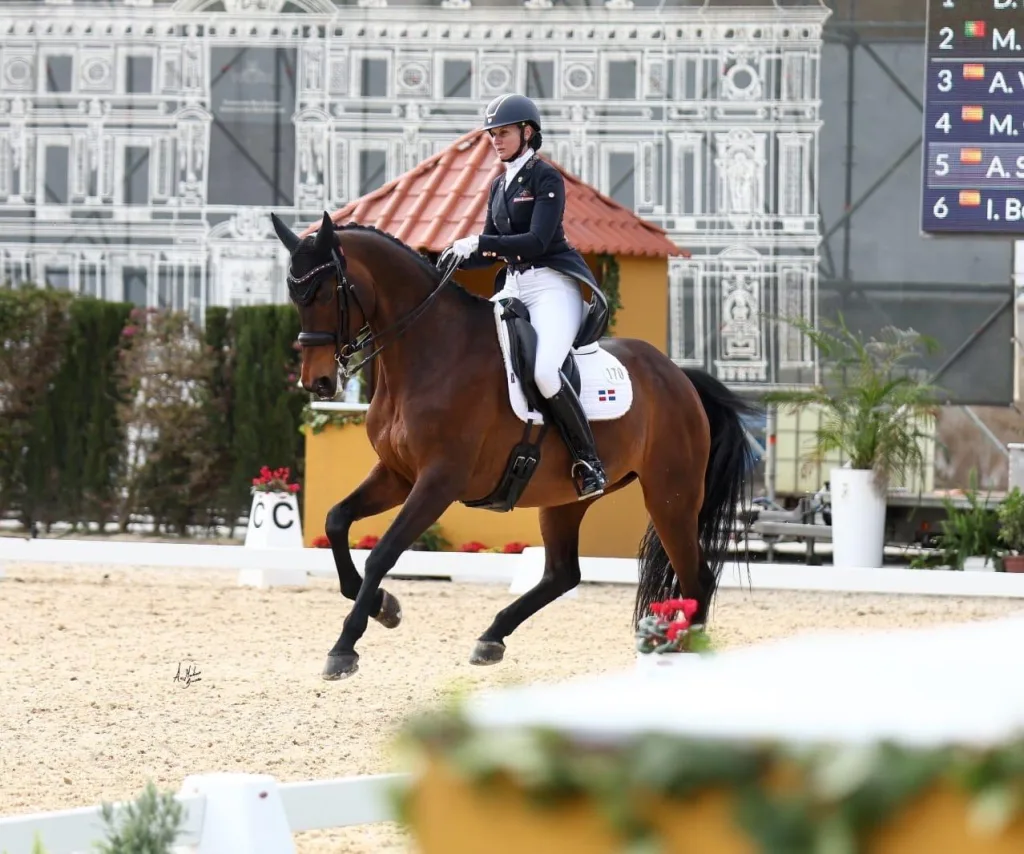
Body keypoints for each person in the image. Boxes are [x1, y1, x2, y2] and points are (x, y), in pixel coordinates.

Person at [440, 93, 608, 500]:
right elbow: (489, 254)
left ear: (527, 132)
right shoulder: (498, 186)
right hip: (514, 285)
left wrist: (481, 242)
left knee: (545, 371)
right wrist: (454, 260)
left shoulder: (545, 178)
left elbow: (535, 240)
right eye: (492, 134)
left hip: (552, 285)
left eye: (503, 133)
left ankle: (589, 462)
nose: (495, 140)